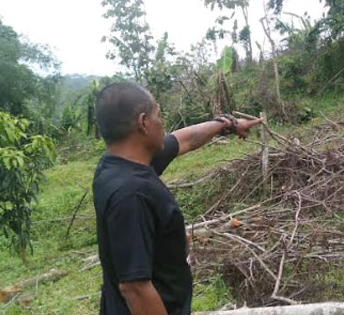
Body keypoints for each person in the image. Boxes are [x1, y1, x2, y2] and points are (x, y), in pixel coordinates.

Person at [92, 82, 262, 315]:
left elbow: (184, 140)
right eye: (158, 115)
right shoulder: (131, 195)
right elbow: (135, 288)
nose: (162, 122)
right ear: (143, 123)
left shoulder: (116, 165)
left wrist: (228, 124)